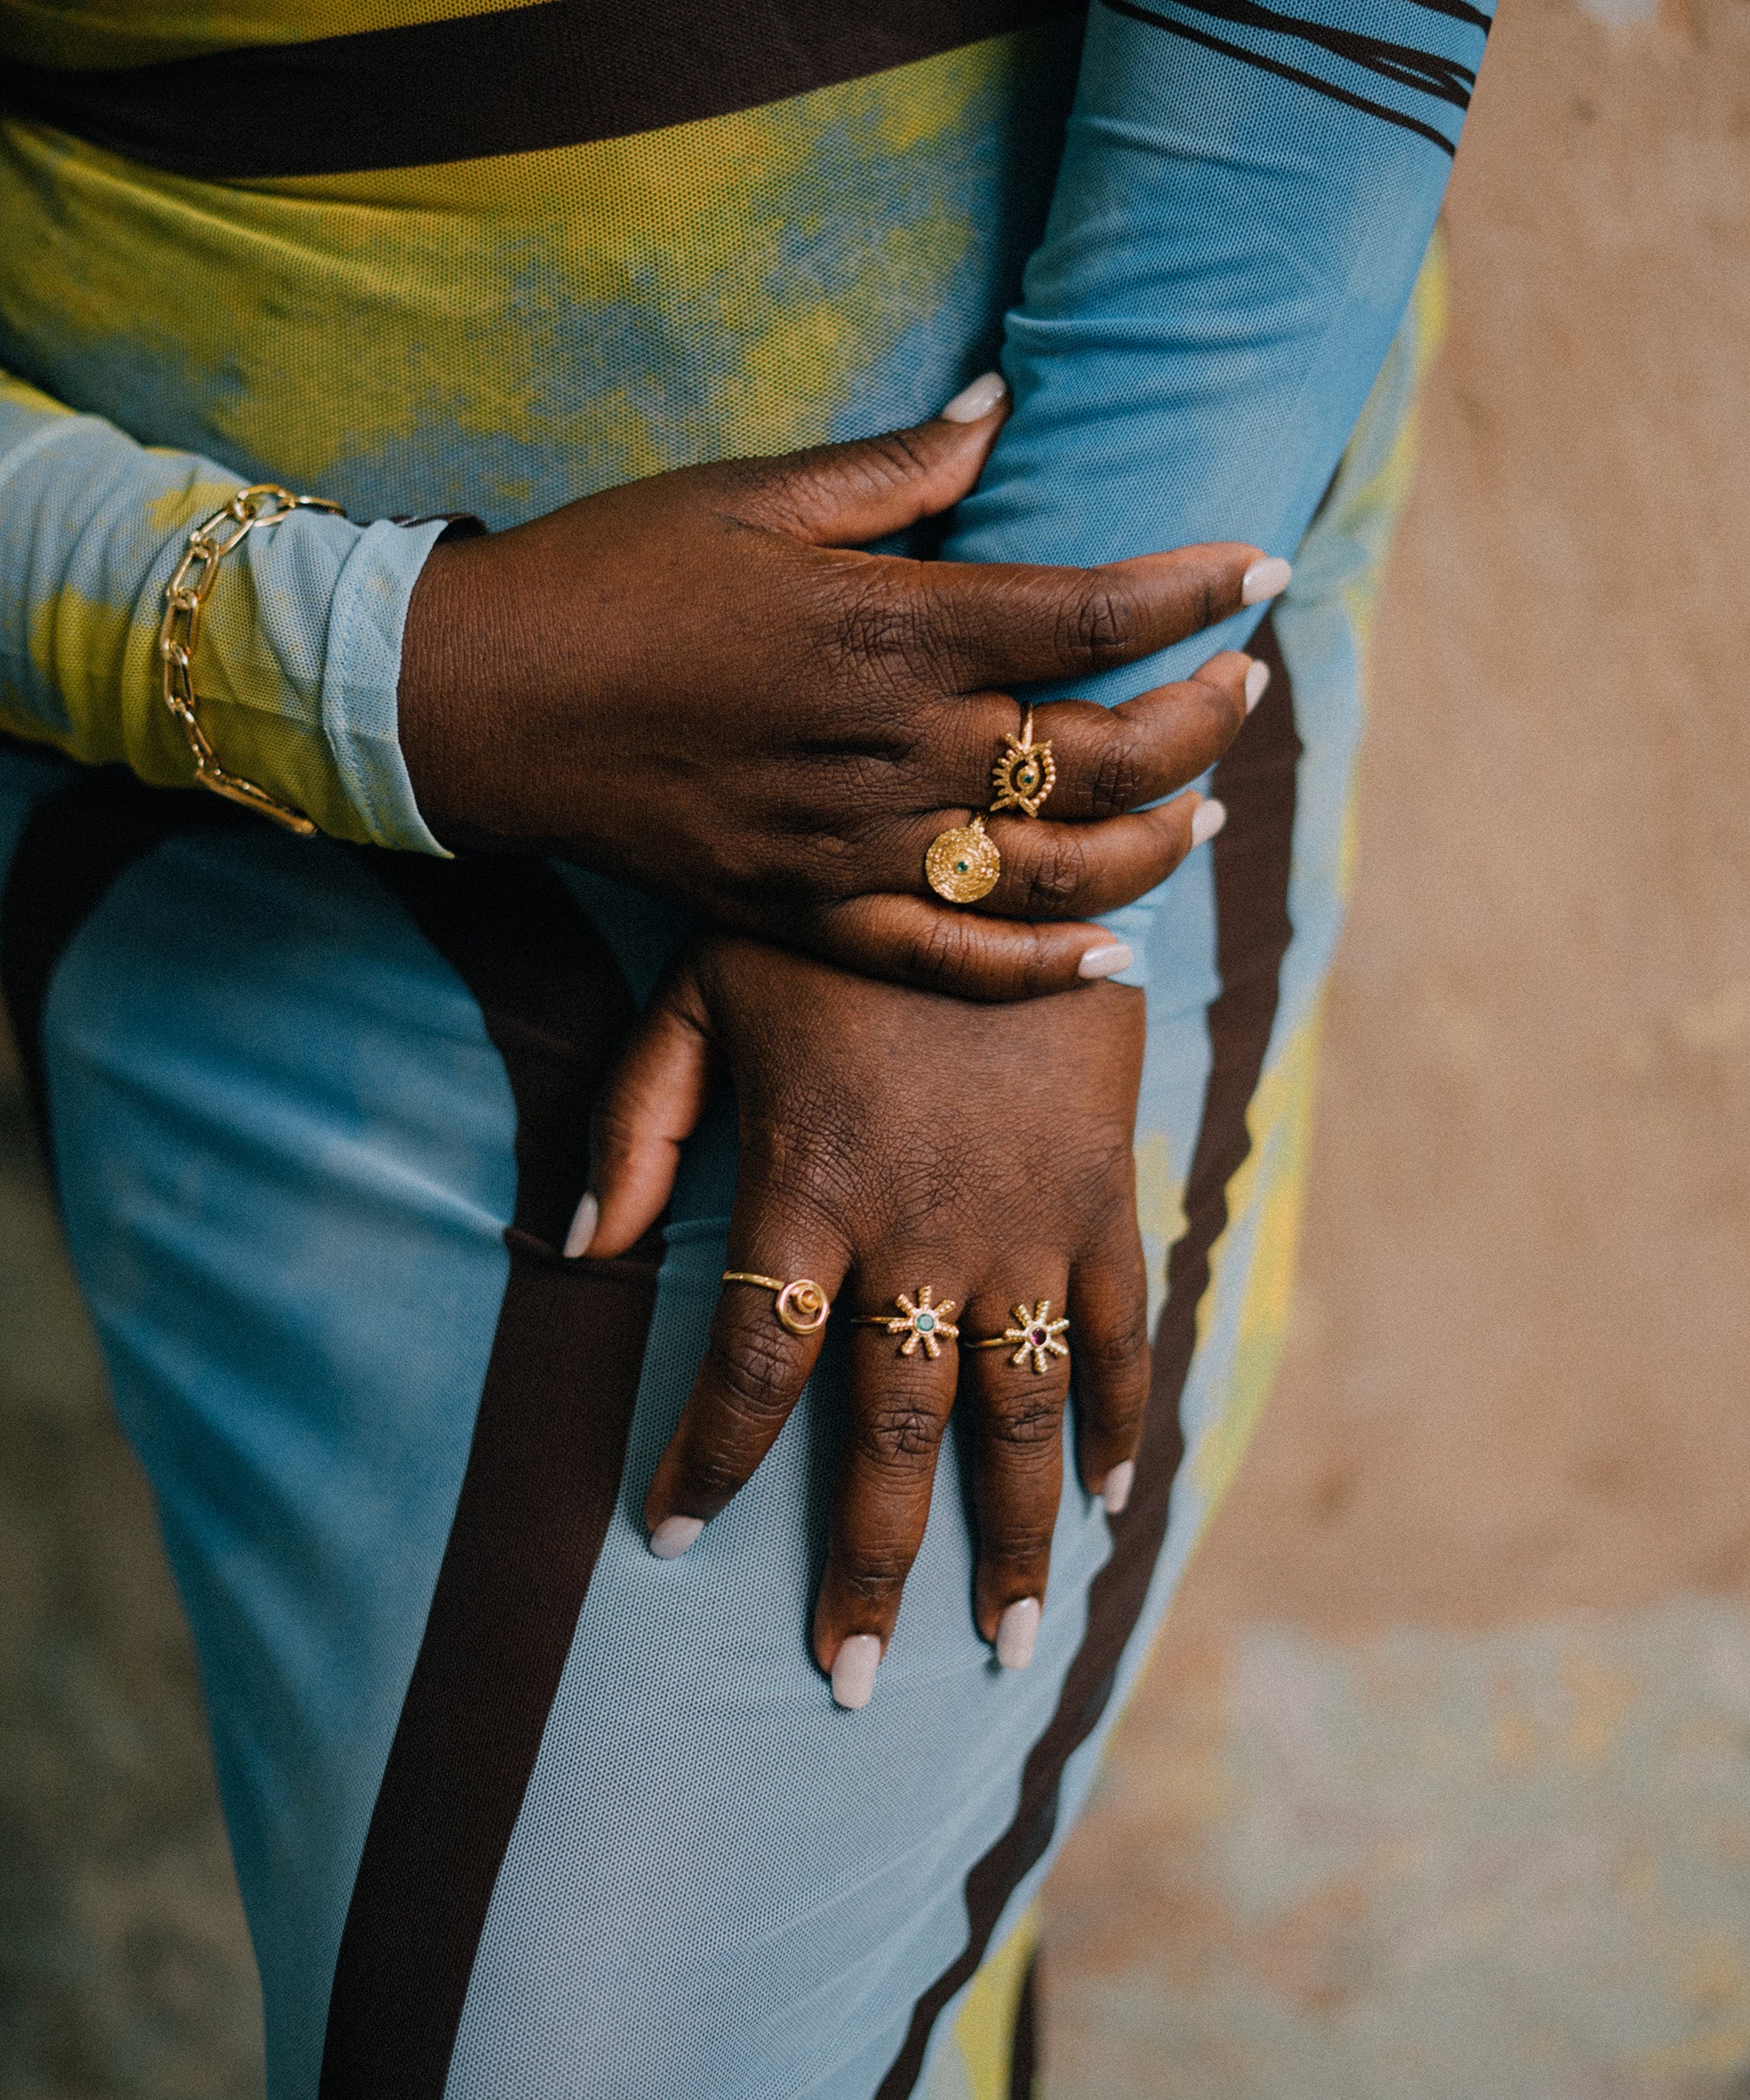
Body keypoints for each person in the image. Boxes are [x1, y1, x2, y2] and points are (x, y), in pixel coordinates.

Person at [0, 0, 1488, 2090]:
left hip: (1064, 683)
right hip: (188, 785)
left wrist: (985, 894)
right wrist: (375, 671)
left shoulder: (1017, 855)